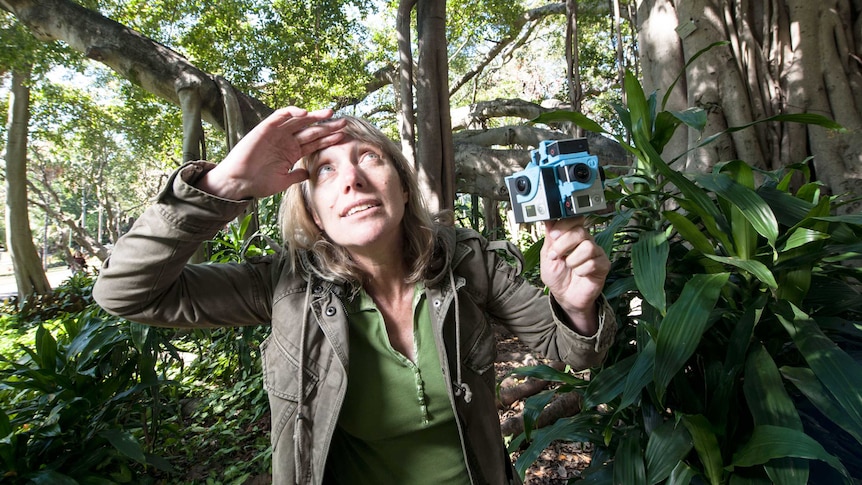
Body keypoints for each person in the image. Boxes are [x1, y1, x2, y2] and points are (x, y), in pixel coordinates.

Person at [93, 107, 616, 485]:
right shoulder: (283, 285)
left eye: (369, 157)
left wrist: (575, 306)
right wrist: (225, 184)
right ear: (316, 213)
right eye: (326, 170)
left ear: (402, 187)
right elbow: (126, 293)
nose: (353, 179)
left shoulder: (463, 261)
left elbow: (572, 351)